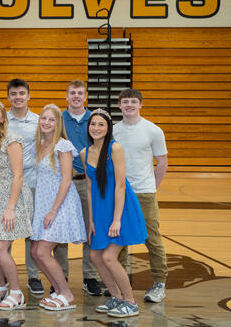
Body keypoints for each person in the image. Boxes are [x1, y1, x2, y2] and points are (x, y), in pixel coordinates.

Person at [82, 109, 147, 318]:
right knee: (94, 255)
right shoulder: (85, 152)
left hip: (120, 207)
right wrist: (91, 220)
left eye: (101, 124)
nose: (96, 128)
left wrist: (117, 219)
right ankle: (116, 297)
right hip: (100, 210)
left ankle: (130, 302)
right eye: (93, 124)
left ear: (108, 127)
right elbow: (90, 187)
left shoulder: (115, 148)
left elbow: (120, 185)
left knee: (109, 257)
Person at [113, 89, 168, 303]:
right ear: (119, 105)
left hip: (144, 192)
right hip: (120, 191)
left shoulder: (153, 130)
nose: (129, 105)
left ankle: (159, 283)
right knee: (120, 238)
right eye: (125, 102)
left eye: (133, 102)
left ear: (140, 105)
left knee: (151, 239)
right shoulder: (114, 130)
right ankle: (121, 281)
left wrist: (151, 188)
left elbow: (162, 163)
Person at [30, 103, 86, 311]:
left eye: (51, 119)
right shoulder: (40, 144)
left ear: (58, 123)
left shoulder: (62, 145)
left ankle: (67, 294)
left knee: (43, 252)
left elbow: (66, 180)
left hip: (60, 204)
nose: (46, 122)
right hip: (44, 203)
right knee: (35, 252)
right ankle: (59, 291)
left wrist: (53, 210)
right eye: (43, 118)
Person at [0, 98, 33, 310]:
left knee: (0, 248)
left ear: (2, 118)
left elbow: (18, 176)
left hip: (14, 197)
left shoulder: (12, 140)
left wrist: (10, 207)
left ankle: (17, 293)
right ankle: (1, 288)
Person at [61, 80, 102, 296]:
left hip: (87, 181)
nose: (76, 96)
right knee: (60, 231)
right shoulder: (59, 118)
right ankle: (61, 277)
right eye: (72, 93)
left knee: (90, 230)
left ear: (85, 96)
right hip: (64, 182)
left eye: (80, 93)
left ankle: (89, 277)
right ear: (66, 96)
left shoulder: (94, 120)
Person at [5, 78, 44, 295]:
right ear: (8, 97)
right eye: (14, 94)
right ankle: (2, 275)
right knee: (6, 229)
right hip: (8, 184)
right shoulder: (2, 121)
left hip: (32, 182)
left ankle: (33, 276)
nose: (18, 97)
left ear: (29, 96)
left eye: (22, 93)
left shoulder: (38, 121)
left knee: (32, 232)